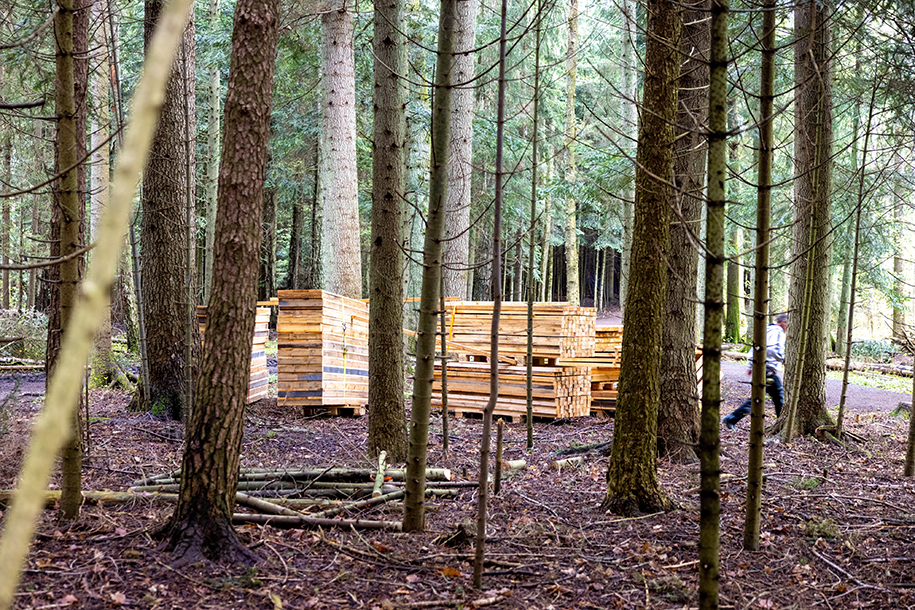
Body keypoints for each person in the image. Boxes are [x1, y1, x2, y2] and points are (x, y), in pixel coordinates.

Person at [722, 312, 787, 430]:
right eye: (787, 324)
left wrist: (751, 365)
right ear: (783, 322)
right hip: (767, 371)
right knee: (760, 399)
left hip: (762, 369)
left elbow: (755, 347)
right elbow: (773, 349)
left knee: (776, 398)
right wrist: (783, 358)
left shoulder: (766, 330)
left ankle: (782, 424)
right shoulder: (778, 332)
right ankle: (731, 418)